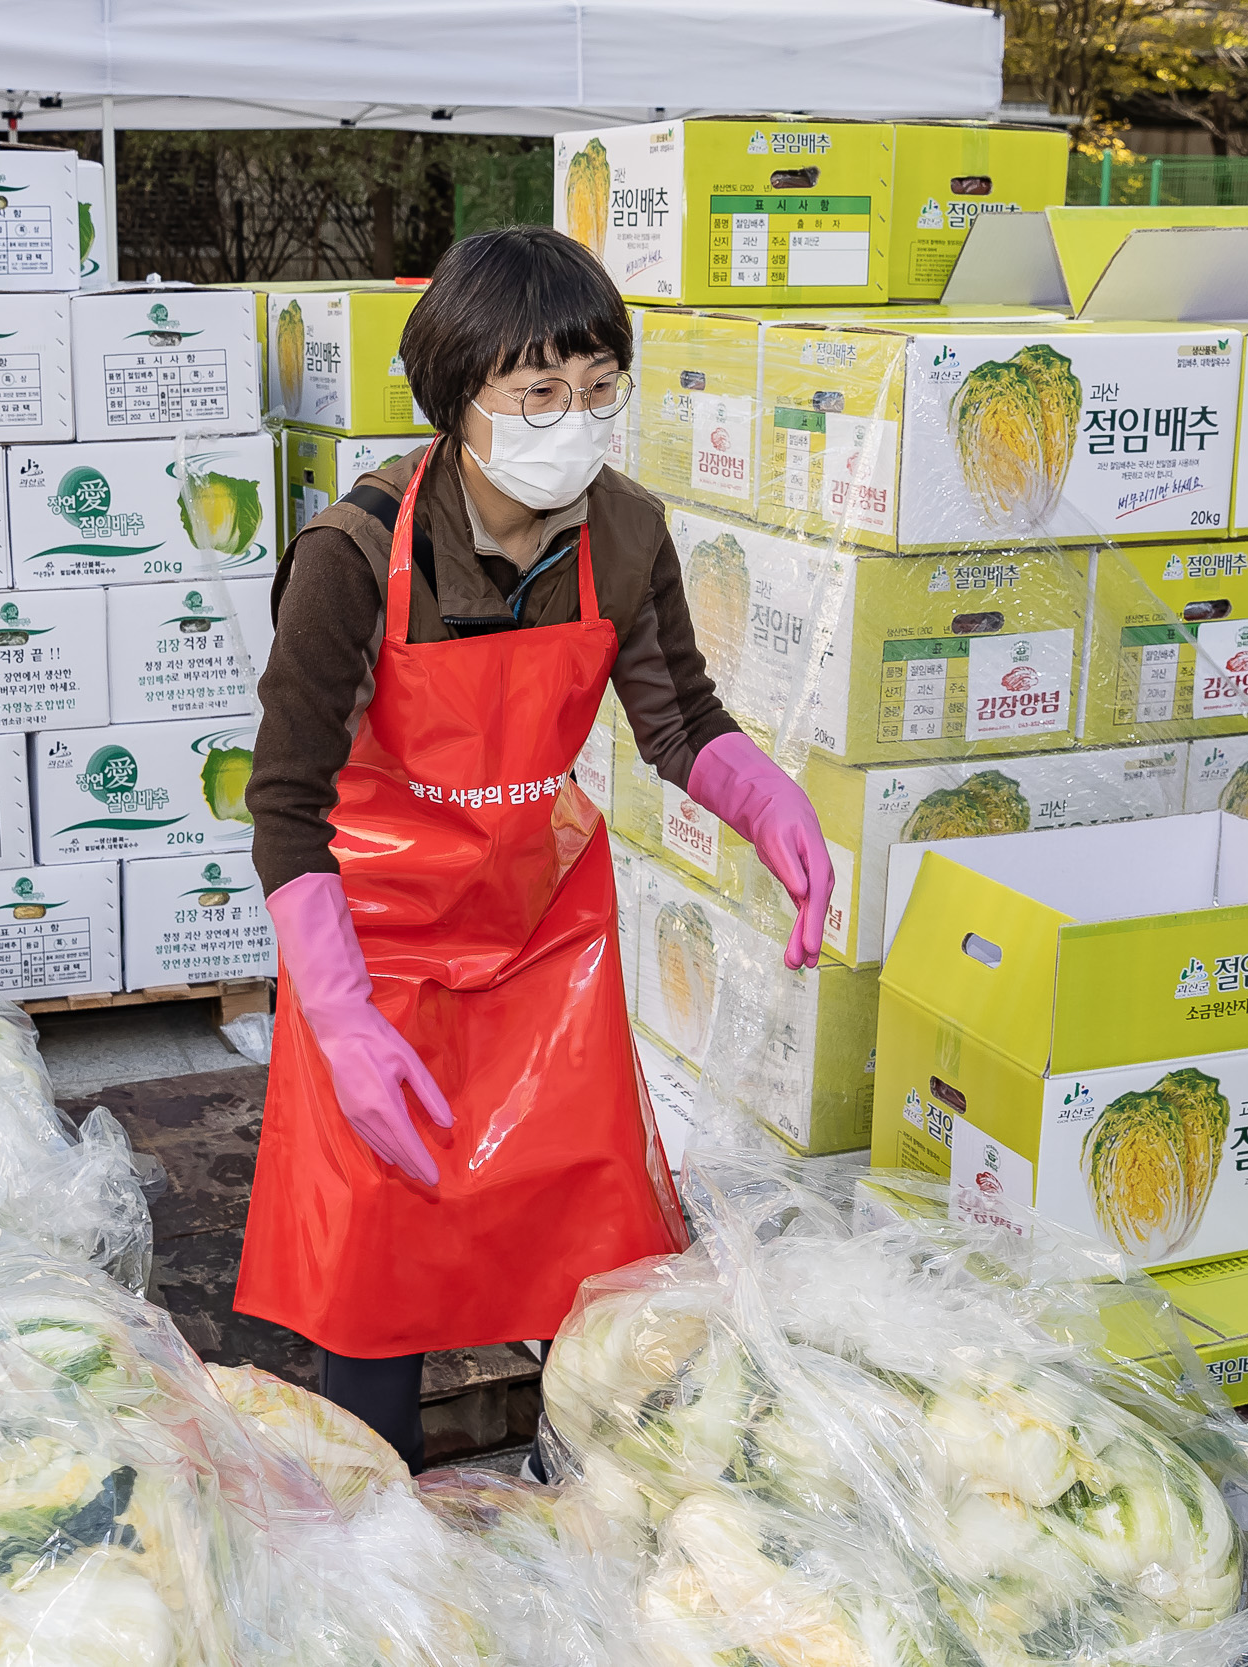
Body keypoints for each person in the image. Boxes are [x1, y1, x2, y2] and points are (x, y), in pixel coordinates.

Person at [234, 227, 833, 1470]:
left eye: (598, 388)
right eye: (539, 393)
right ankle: (373, 1518)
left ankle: (591, 1500)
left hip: (540, 929)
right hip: (378, 943)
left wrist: (772, 805)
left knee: (585, 1230)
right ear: (459, 397)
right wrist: (338, 1019)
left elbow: (679, 718)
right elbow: (287, 805)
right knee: (378, 1252)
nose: (575, 418)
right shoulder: (352, 557)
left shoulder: (623, 531)